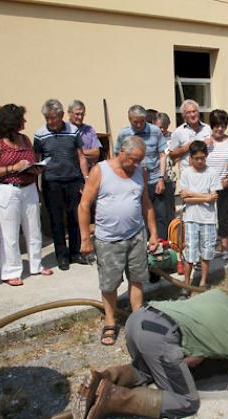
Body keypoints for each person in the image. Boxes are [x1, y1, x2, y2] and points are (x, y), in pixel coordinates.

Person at [75, 290, 228, 419]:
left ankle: (101, 379)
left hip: (138, 320)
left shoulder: (219, 296)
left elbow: (200, 326)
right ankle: (112, 398)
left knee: (146, 371)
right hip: (160, 335)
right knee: (186, 402)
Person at [79, 136, 158, 346]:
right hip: (108, 239)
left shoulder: (140, 171)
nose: (135, 164)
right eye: (132, 159)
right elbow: (84, 205)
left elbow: (147, 204)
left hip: (136, 235)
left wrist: (153, 233)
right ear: (121, 151)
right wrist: (85, 238)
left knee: (137, 278)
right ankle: (110, 321)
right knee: (110, 283)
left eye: (139, 160)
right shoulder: (100, 171)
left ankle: (137, 320)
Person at [0, 104, 53, 286]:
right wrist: (13, 168)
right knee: (10, 233)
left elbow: (30, 161)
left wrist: (35, 168)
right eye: (22, 119)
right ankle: (11, 271)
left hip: (28, 187)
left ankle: (36, 265)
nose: (25, 122)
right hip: (7, 189)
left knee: (34, 228)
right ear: (12, 122)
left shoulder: (25, 139)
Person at [33, 99, 89, 271]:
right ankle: (62, 255)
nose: (51, 122)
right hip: (52, 182)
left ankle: (75, 252)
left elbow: (81, 156)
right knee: (56, 220)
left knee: (74, 217)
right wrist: (36, 184)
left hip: (73, 180)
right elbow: (36, 160)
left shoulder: (73, 131)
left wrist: (85, 179)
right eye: (48, 118)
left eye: (53, 118)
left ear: (61, 115)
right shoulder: (40, 134)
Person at [114, 105, 169, 239]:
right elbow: (117, 157)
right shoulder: (123, 134)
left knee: (160, 215)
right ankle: (143, 245)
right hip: (134, 181)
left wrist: (161, 178)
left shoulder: (155, 131)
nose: (138, 125)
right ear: (129, 119)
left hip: (154, 179)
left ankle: (160, 246)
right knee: (138, 215)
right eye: (135, 122)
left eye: (141, 121)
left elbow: (162, 155)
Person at [179, 140, 220, 288]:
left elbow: (213, 197)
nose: (200, 161)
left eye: (203, 158)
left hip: (208, 219)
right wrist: (205, 197)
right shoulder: (186, 173)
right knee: (190, 253)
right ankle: (186, 283)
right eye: (197, 158)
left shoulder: (212, 173)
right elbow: (184, 197)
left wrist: (192, 194)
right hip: (190, 218)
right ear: (190, 158)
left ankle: (203, 281)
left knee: (206, 252)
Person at [205, 109, 228, 261]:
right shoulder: (205, 141)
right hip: (207, 186)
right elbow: (196, 162)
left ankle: (224, 248)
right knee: (207, 217)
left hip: (226, 185)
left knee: (223, 217)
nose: (219, 128)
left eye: (222, 125)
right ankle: (208, 246)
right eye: (216, 125)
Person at [169, 99, 212, 177]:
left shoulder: (208, 129)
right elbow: (171, 154)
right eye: (188, 112)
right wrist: (186, 148)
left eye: (194, 111)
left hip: (206, 174)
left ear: (198, 113)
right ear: (184, 116)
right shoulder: (178, 132)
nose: (192, 115)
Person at [155, 112, 177, 229]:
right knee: (158, 209)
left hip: (169, 177)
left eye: (165, 126)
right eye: (159, 126)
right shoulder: (153, 138)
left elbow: (176, 154)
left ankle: (171, 233)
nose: (162, 129)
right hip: (155, 176)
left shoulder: (173, 137)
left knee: (169, 208)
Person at [68, 100, 102, 169]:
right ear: (69, 113)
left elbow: (96, 153)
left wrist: (78, 153)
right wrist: (87, 154)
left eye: (82, 114)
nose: (80, 117)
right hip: (69, 173)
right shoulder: (64, 130)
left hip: (88, 172)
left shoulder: (89, 130)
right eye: (77, 114)